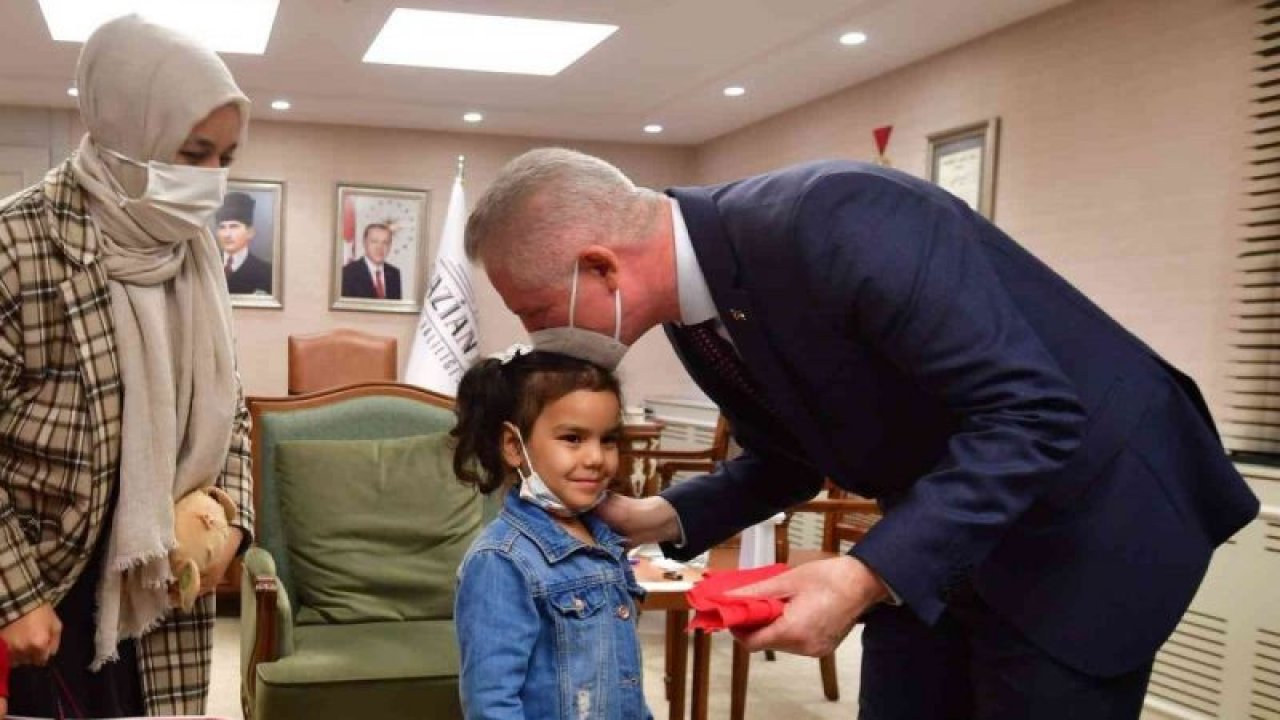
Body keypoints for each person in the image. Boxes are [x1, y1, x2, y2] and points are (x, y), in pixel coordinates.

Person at [463, 147, 1261, 718]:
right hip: (952, 527)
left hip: (1091, 514)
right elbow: (788, 456)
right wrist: (663, 518)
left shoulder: (835, 216)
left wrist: (859, 575)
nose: (544, 341)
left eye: (538, 313)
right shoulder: (690, 312)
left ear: (601, 268)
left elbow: (1033, 412)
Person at [0, 15, 253, 716]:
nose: (211, 180)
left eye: (225, 156)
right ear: (124, 132)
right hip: (43, 591)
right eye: (193, 152)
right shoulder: (18, 243)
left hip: (160, 585)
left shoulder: (194, 253)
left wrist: (231, 522)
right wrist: (12, 596)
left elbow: (229, 406)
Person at [451, 347, 649, 720]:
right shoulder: (500, 561)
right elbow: (491, 703)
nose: (596, 457)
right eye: (573, 438)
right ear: (514, 446)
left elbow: (623, 678)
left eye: (608, 440)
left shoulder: (605, 540)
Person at [216, 191, 272, 295]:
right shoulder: (207, 266)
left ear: (250, 232)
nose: (227, 234)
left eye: (234, 226)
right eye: (222, 227)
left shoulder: (267, 272)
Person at [342, 223, 402, 299]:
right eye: (374, 241)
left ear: (390, 246)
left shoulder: (394, 273)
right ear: (364, 243)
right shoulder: (347, 273)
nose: (379, 247)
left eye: (385, 243)